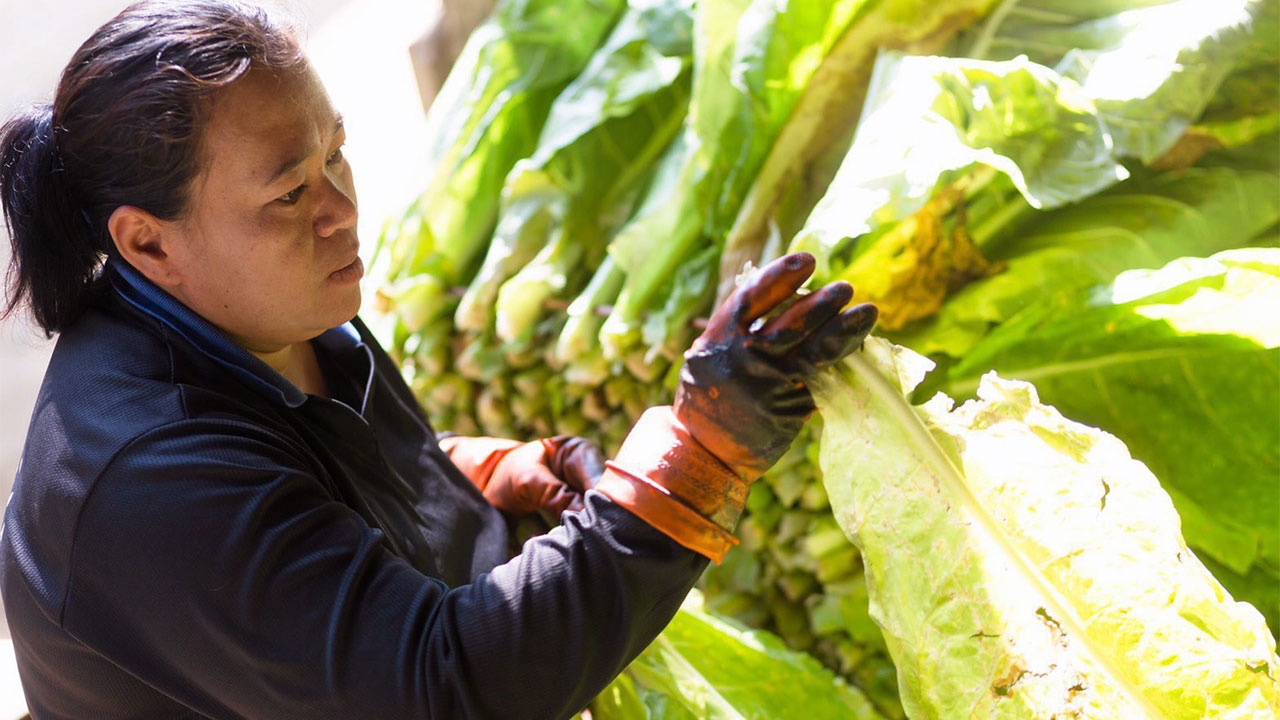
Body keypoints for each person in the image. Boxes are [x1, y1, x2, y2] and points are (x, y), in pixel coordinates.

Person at [0, 1, 878, 718]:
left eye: (335, 154)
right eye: (289, 190)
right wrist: (696, 456)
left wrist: (479, 473)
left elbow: (319, 475)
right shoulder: (151, 480)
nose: (341, 208)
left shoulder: (265, 309)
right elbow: (448, 688)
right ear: (147, 244)